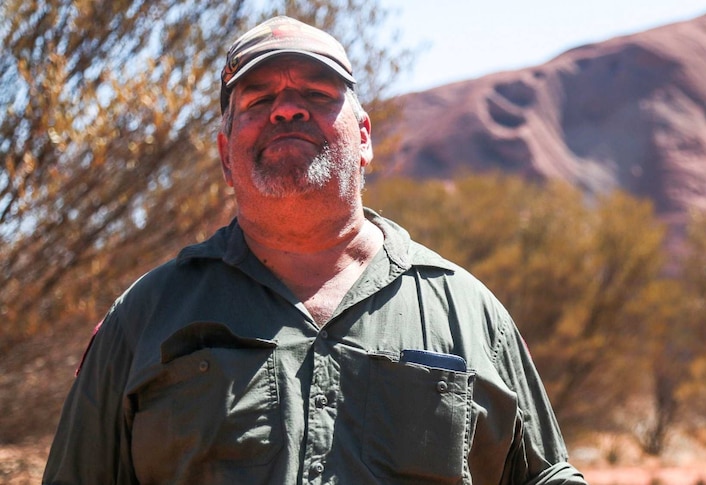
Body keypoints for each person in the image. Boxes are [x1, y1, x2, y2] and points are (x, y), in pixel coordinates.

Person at [43, 16, 588, 485]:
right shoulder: (146, 318)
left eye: (317, 94)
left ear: (365, 137)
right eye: (258, 99)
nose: (286, 110)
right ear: (225, 155)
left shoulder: (470, 313)